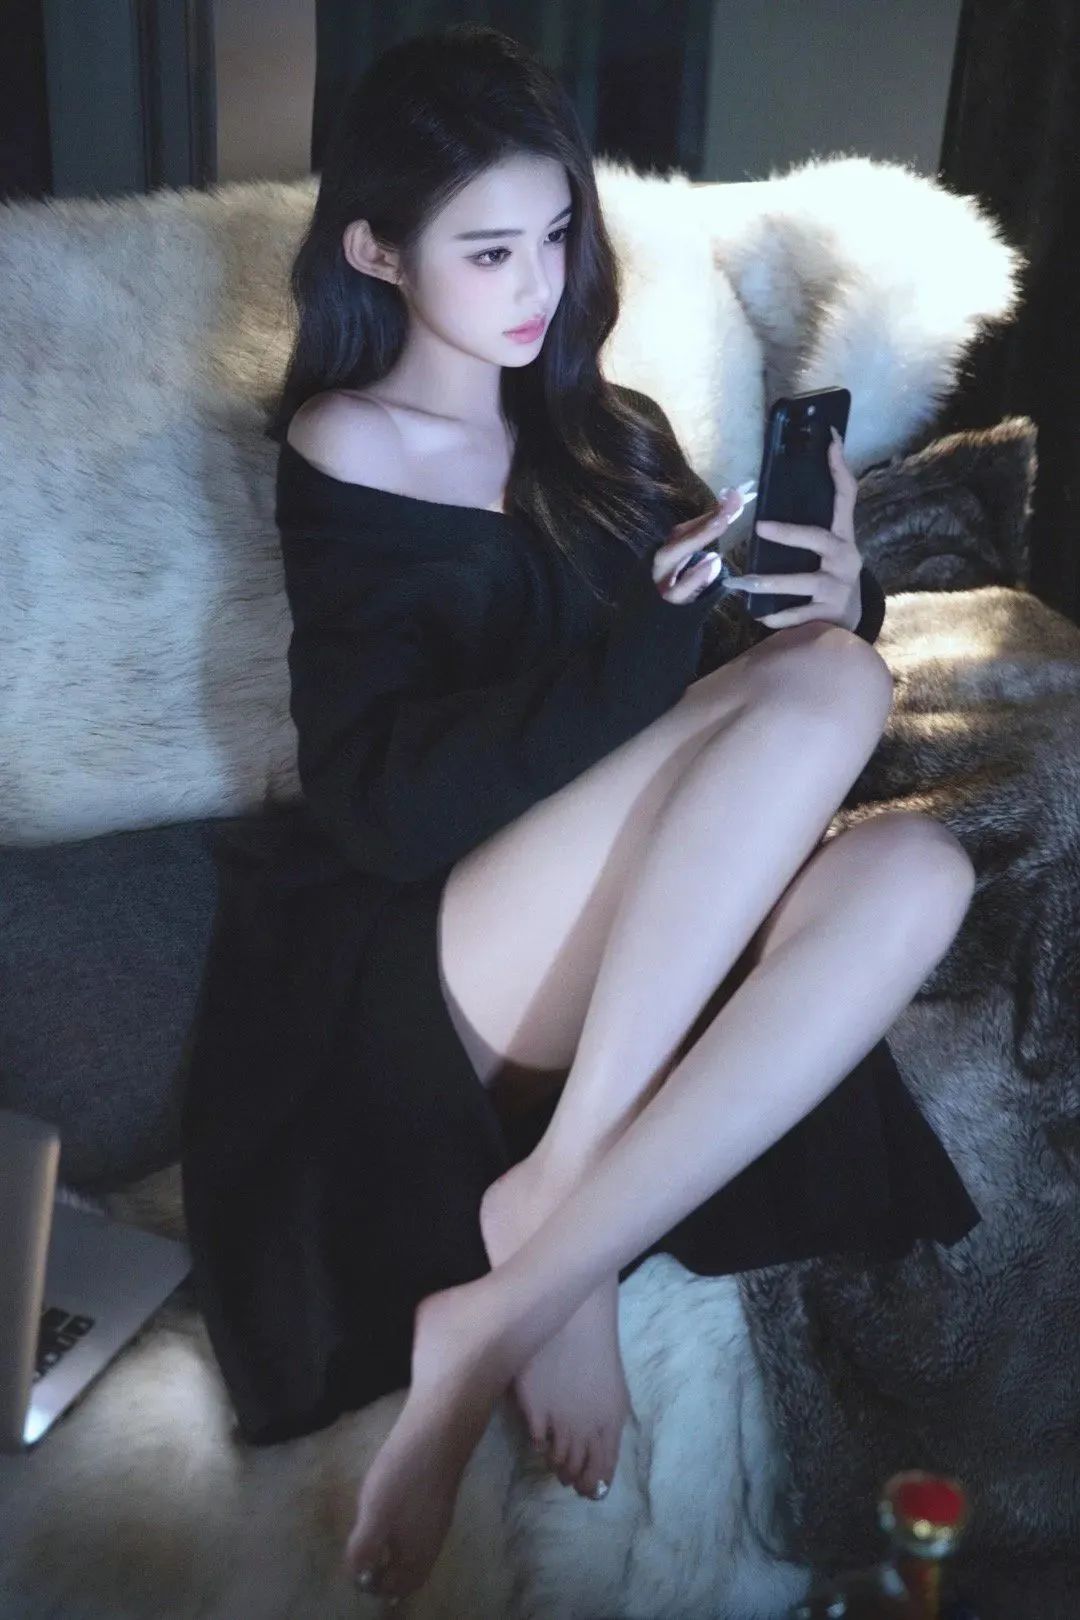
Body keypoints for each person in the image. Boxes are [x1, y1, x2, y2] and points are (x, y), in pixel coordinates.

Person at [178, 20, 983, 1607]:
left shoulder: (607, 433)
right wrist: (668, 650)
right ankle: (563, 1218)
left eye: (556, 236)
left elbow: (728, 699)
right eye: (488, 250)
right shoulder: (354, 446)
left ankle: (534, 1265)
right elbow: (383, 803)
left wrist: (834, 598)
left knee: (921, 869)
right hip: (431, 955)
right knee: (832, 695)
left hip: (631, 943)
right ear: (377, 252)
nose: (538, 283)